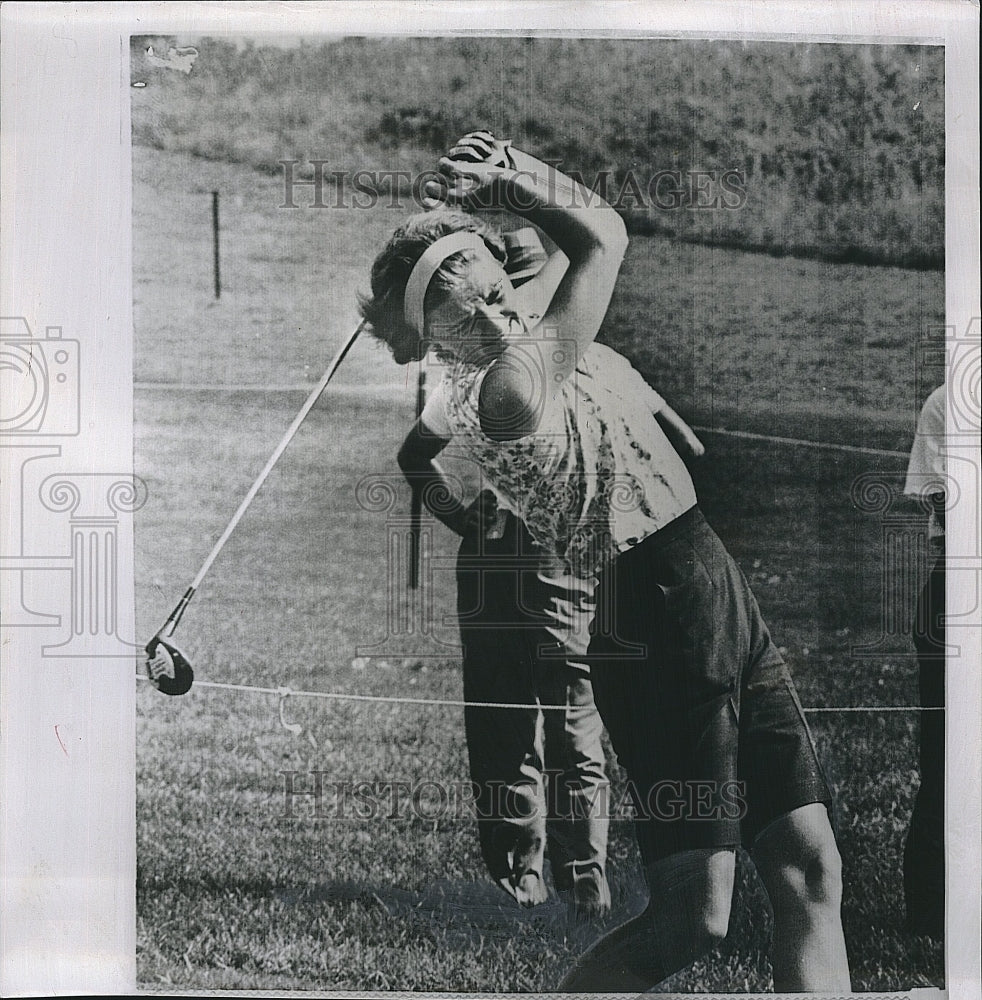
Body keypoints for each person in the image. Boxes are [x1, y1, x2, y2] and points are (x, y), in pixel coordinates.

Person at [360, 130, 850, 992]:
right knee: (692, 919)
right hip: (655, 613)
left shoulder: (525, 328)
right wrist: (506, 180)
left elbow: (557, 250)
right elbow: (604, 236)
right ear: (427, 339)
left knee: (811, 871)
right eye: (451, 303)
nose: (483, 303)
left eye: (480, 275)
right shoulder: (507, 387)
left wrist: (504, 168)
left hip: (712, 584)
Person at [400, 228, 614, 921]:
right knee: (500, 717)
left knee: (571, 712)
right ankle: (520, 873)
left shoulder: (551, 351)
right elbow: (414, 457)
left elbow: (567, 257)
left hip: (560, 550)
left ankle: (586, 874)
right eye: (471, 313)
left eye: (503, 294)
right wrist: (464, 519)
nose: (496, 315)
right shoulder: (463, 377)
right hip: (494, 555)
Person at [902, 382, 946, 937]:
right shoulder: (950, 401)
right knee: (947, 761)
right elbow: (950, 507)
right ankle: (931, 912)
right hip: (960, 594)